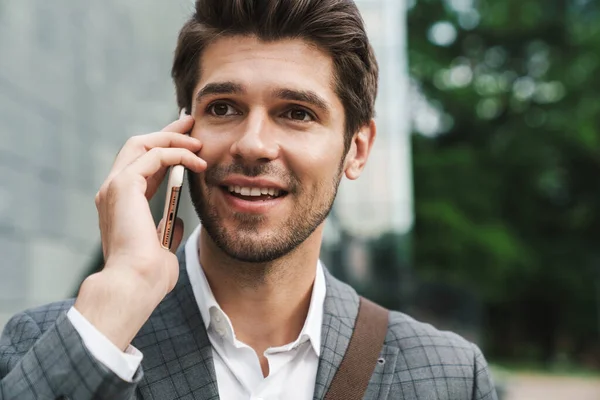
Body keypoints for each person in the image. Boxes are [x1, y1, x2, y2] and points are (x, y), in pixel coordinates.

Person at [0, 0, 498, 399]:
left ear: (356, 148)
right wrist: (123, 293)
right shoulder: (55, 344)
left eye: (297, 113)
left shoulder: (450, 377)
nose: (253, 144)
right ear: (180, 130)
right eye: (222, 107)